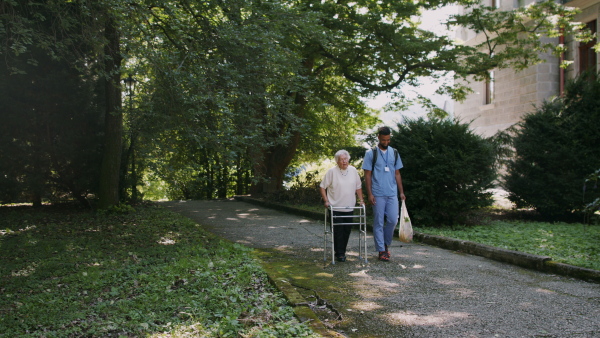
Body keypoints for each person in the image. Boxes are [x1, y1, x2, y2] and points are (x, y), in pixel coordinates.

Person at [362, 126, 406, 262]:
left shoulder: (395, 153)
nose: (386, 142)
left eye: (388, 140)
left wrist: (401, 192)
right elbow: (367, 175)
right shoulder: (371, 154)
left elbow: (397, 173)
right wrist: (369, 194)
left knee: (393, 220)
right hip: (378, 193)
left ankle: (386, 244)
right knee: (379, 222)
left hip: (392, 193)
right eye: (383, 140)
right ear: (378, 137)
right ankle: (381, 250)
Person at [319, 149, 364, 262]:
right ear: (337, 162)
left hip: (349, 207)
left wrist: (361, 200)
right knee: (338, 231)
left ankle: (341, 251)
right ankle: (340, 253)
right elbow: (322, 186)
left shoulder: (353, 170)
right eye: (341, 160)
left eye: (345, 159)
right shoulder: (332, 172)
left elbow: (358, 187)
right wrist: (326, 201)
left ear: (348, 159)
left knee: (346, 231)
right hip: (335, 207)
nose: (344, 161)